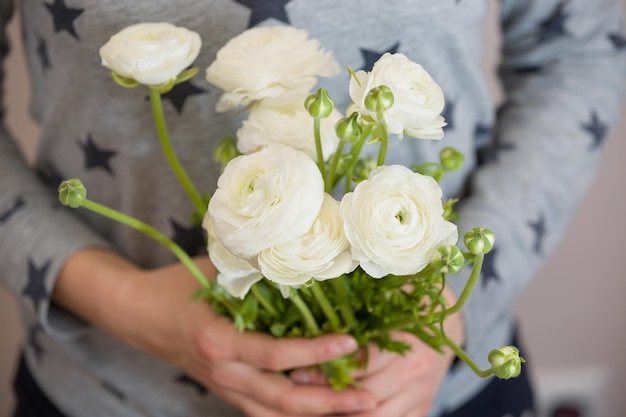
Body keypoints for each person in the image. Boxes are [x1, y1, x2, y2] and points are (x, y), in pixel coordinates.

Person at [1, 1, 624, 416]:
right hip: (110, 393)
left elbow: (579, 52)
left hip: (436, 392)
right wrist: (119, 300)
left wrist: (458, 303)